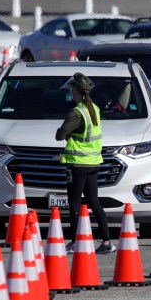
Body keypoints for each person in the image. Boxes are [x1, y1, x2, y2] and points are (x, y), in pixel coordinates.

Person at [56, 72, 116, 255]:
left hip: (78, 163)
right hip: (93, 162)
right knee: (94, 201)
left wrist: (66, 134)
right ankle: (107, 242)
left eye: (72, 89)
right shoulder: (94, 108)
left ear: (76, 90)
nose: (70, 92)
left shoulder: (77, 112)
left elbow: (59, 135)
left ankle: (75, 243)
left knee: (74, 203)